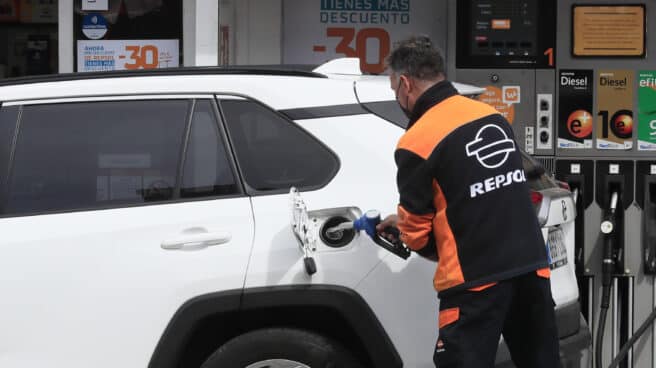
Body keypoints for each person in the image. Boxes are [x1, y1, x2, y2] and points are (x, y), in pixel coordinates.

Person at [376, 35, 561, 368]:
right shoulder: (489, 116)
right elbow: (482, 193)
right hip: (531, 267)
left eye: (394, 90)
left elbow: (417, 235)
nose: (397, 98)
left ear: (405, 84)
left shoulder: (416, 140)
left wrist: (408, 231)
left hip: (477, 280)